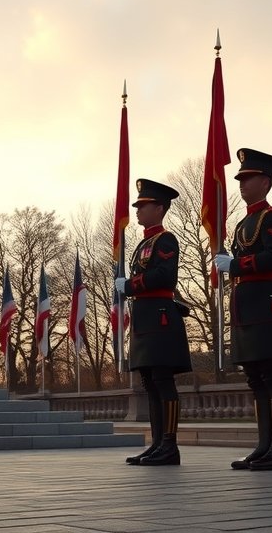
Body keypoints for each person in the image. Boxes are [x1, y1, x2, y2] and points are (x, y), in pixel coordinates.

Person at [215, 149, 272, 471]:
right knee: (256, 379)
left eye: (247, 178)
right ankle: (264, 444)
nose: (241, 183)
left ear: (265, 181)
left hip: (268, 306)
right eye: (240, 178)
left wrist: (236, 264)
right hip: (247, 309)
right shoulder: (243, 223)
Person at [115, 179, 193, 466]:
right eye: (137, 206)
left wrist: (131, 285)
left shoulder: (166, 240)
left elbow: (164, 277)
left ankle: (170, 445)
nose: (138, 210)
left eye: (143, 206)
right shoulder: (143, 243)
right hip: (145, 318)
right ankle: (157, 442)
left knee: (163, 381)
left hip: (160, 316)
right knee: (149, 382)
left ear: (159, 208)